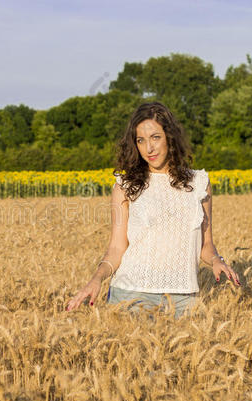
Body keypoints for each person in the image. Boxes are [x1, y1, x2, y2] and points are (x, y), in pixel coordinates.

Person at [65, 102, 242, 319]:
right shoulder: (126, 185)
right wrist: (96, 278)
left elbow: (206, 245)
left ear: (170, 137)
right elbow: (116, 247)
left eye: (155, 137)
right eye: (141, 140)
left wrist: (216, 260)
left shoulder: (199, 183)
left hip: (184, 299)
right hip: (131, 296)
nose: (148, 148)